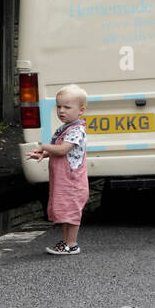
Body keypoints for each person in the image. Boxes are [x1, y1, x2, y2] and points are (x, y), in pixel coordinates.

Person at [26, 84, 89, 255]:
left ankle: (72, 244)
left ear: (81, 110)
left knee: (72, 210)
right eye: (59, 106)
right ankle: (66, 241)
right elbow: (58, 151)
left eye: (67, 107)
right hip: (63, 179)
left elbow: (62, 150)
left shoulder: (77, 130)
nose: (61, 110)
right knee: (65, 210)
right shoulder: (66, 128)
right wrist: (43, 154)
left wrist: (43, 146)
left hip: (72, 180)